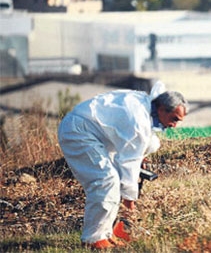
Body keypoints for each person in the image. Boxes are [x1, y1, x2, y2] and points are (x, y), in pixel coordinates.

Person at [57, 81, 188, 249]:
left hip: (98, 134)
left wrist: (139, 156)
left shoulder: (145, 106)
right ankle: (92, 239)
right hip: (79, 132)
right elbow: (128, 164)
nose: (174, 125)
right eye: (174, 119)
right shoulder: (138, 122)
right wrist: (129, 203)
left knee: (153, 143)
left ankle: (106, 233)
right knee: (106, 180)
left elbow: (135, 149)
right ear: (162, 109)